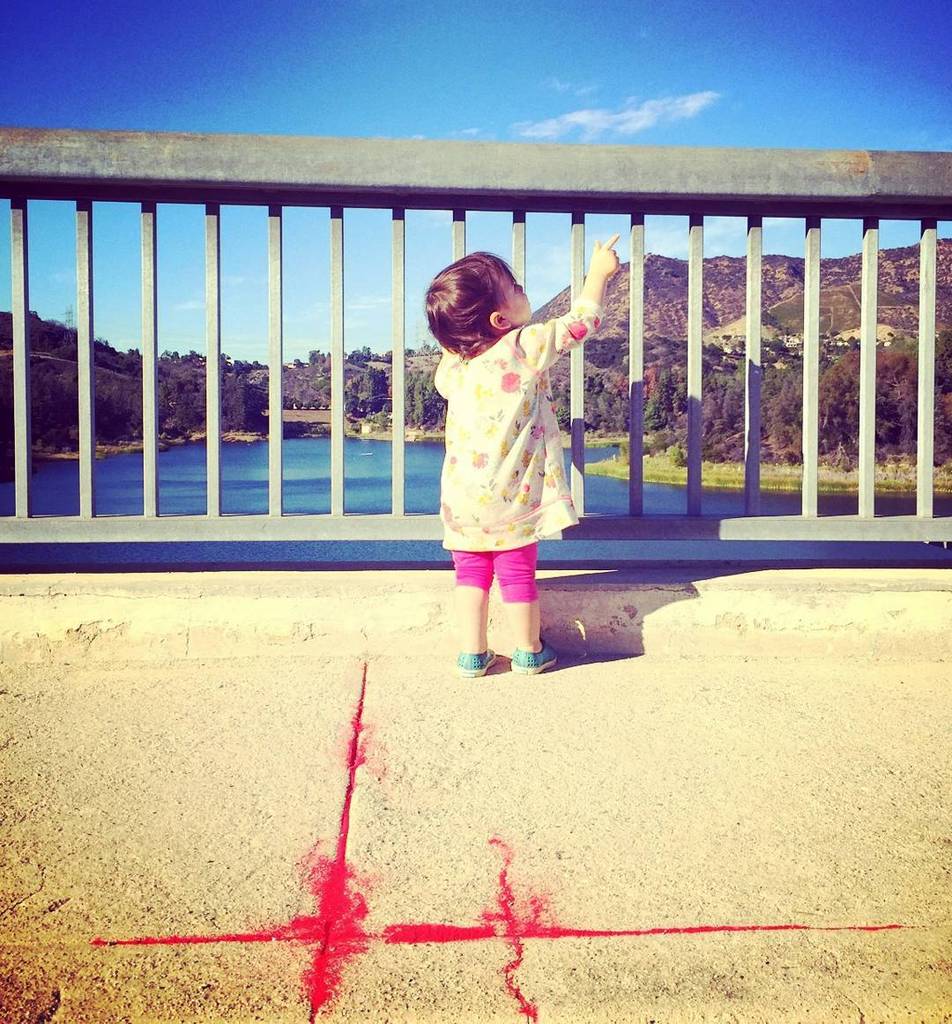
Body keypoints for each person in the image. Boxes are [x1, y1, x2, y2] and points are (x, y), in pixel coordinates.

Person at [425, 233, 620, 677]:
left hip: (461, 502)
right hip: (512, 499)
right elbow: (582, 321)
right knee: (516, 575)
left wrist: (451, 330)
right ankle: (529, 651)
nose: (524, 291)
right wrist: (598, 274)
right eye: (515, 289)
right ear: (499, 318)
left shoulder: (454, 368)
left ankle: (472, 655)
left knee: (470, 577)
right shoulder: (522, 347)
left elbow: (449, 350)